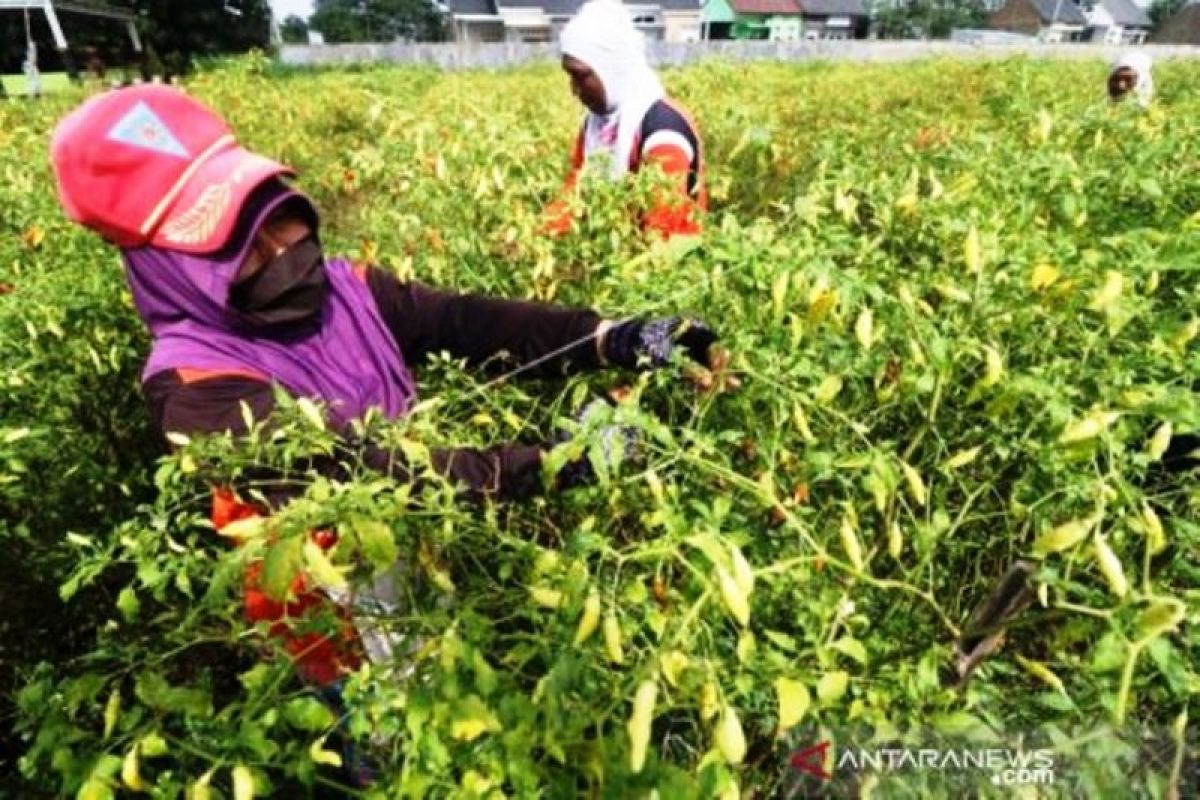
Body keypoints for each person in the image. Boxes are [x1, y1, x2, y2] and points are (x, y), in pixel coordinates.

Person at [49, 85, 726, 700]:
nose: (285, 249)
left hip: (424, 557)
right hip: (338, 619)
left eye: (279, 216)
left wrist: (622, 338)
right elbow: (374, 475)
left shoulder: (343, 288)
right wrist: (563, 460)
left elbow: (465, 322)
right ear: (171, 270)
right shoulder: (194, 389)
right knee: (392, 739)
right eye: (244, 246)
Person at [544, 0, 706, 239]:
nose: (574, 89)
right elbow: (575, 193)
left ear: (610, 68)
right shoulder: (596, 125)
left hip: (665, 264)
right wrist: (537, 235)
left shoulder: (664, 132)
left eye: (580, 76)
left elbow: (662, 234)